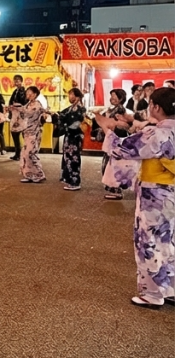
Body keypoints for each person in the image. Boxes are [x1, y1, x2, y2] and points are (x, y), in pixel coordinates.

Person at [96, 87, 175, 309]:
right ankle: (170, 288)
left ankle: (152, 293)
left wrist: (108, 129)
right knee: (170, 240)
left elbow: (123, 149)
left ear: (156, 107)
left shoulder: (157, 133)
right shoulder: (161, 130)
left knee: (148, 241)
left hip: (155, 194)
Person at [100, 88, 132, 201]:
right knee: (108, 164)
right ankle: (113, 189)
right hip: (112, 139)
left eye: (114, 96)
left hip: (115, 140)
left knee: (112, 165)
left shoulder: (120, 110)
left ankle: (116, 190)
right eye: (111, 96)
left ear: (121, 98)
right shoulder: (114, 109)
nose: (111, 98)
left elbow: (120, 126)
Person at [52, 88, 86, 191]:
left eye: (71, 95)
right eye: (69, 95)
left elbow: (76, 123)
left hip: (75, 136)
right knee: (67, 157)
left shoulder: (81, 109)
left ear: (77, 96)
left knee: (74, 158)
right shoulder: (71, 108)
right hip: (69, 135)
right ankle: (68, 178)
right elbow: (61, 115)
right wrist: (55, 115)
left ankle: (75, 181)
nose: (70, 97)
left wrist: (64, 123)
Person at [11, 86, 46, 183]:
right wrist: (14, 108)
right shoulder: (28, 104)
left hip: (34, 132)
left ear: (35, 94)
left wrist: (18, 108)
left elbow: (29, 113)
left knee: (30, 153)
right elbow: (24, 111)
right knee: (25, 154)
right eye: (27, 93)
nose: (27, 94)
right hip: (27, 132)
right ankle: (29, 174)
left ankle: (38, 174)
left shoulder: (37, 105)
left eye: (29, 92)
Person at [8, 75, 27, 160]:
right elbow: (11, 101)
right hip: (15, 115)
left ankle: (24, 153)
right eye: (15, 80)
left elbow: (23, 102)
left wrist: (16, 105)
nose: (16, 82)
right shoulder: (15, 91)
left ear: (21, 81)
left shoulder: (23, 91)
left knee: (24, 135)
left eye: (18, 80)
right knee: (14, 133)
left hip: (21, 115)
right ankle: (17, 153)